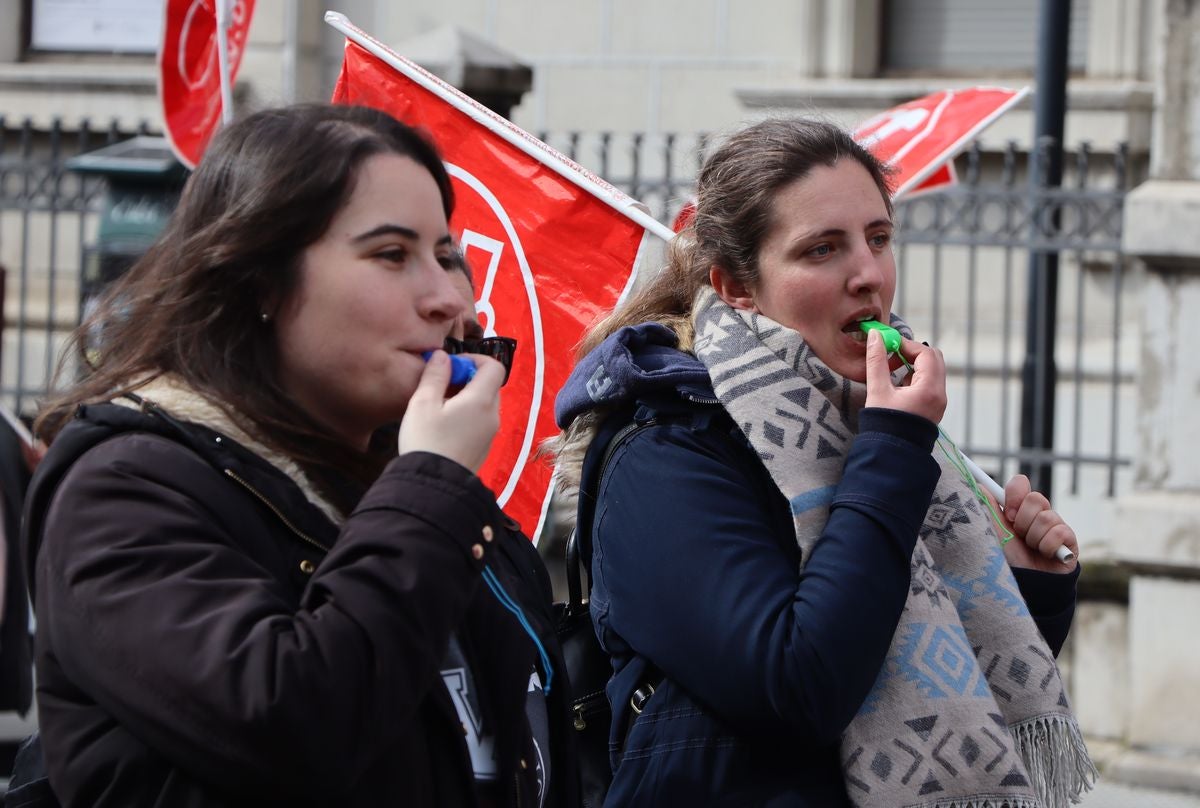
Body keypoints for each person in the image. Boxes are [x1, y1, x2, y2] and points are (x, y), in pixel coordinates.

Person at [19, 103, 578, 808]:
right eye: (390, 254)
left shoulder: (437, 500)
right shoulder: (125, 487)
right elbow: (293, 722)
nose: (447, 298)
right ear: (260, 282)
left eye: (446, 256)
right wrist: (432, 486)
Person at [551, 118, 1093, 807]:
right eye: (822, 249)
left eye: (879, 238)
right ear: (737, 287)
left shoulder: (866, 421)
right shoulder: (666, 451)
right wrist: (893, 450)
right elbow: (800, 687)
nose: (868, 276)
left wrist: (1029, 588)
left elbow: (931, 674)